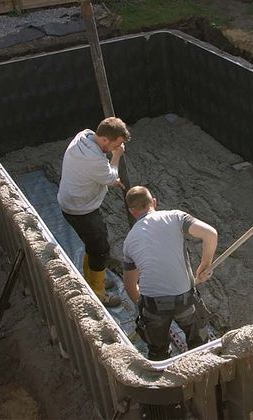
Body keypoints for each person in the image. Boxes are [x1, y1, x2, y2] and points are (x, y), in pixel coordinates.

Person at [122, 186, 217, 360]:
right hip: (184, 300)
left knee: (158, 354)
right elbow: (210, 234)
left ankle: (163, 374)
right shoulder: (175, 217)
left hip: (153, 306)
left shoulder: (129, 241)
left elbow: (129, 285)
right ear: (154, 202)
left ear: (132, 211)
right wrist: (205, 266)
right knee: (200, 349)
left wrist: (144, 306)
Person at [57, 117, 129, 308]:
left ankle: (94, 280)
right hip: (80, 210)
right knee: (101, 248)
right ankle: (98, 293)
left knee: (93, 243)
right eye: (117, 144)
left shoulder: (83, 136)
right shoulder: (95, 160)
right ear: (105, 139)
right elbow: (110, 175)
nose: (117, 147)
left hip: (70, 200)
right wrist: (116, 156)